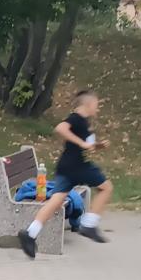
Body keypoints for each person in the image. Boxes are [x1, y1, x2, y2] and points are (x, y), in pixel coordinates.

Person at [17, 89, 113, 258]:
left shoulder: (84, 123)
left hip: (66, 166)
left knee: (56, 200)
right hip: (77, 166)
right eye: (96, 104)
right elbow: (60, 128)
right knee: (106, 188)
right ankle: (89, 224)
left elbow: (86, 146)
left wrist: (97, 146)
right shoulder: (76, 118)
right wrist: (81, 143)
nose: (97, 108)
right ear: (88, 104)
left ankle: (30, 234)